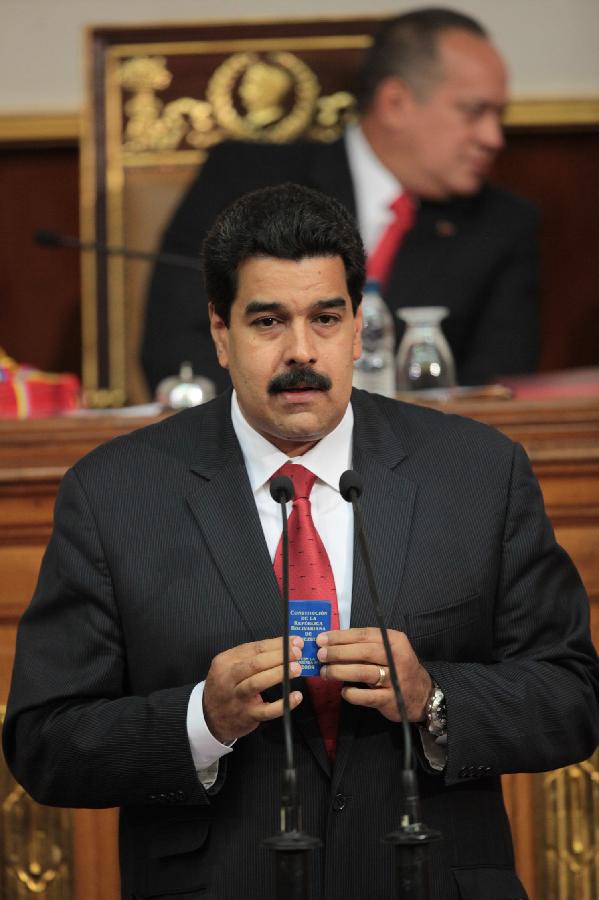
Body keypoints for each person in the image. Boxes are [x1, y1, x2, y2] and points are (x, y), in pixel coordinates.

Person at [4, 183, 596, 900]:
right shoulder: (115, 493)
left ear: (357, 329)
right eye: (267, 322)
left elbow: (571, 699)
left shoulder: (475, 473)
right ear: (220, 334)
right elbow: (45, 744)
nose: (301, 352)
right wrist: (201, 718)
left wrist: (433, 696)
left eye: (325, 317)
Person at [142, 7, 540, 396]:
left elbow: (495, 386)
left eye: (498, 115)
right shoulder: (245, 178)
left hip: (415, 453)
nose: (493, 138)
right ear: (395, 102)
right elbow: (178, 341)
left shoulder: (503, 225)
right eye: (474, 112)